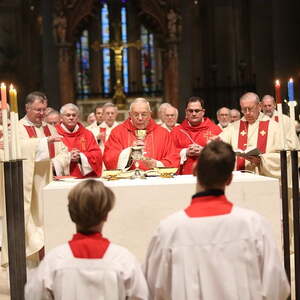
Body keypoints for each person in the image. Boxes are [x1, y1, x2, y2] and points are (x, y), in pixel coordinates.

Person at [144, 140, 290, 300]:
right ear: (229, 179)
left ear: (194, 170)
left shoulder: (169, 230)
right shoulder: (254, 225)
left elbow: (152, 290)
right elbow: (277, 288)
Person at [25, 180, 149, 300]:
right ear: (106, 215)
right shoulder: (124, 260)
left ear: (71, 214)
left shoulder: (53, 261)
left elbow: (34, 295)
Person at [15, 91, 69, 266]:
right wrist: (45, 143)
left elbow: (63, 152)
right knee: (33, 230)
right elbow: (19, 149)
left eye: (44, 110)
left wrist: (55, 163)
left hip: (49, 184)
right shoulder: (18, 128)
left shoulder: (49, 128)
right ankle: (32, 267)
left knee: (50, 226)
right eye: (38, 110)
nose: (42, 114)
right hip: (30, 187)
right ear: (27, 108)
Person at [103, 98, 179, 170]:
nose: (140, 118)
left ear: (150, 114)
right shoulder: (117, 132)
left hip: (156, 181)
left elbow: (173, 159)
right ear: (130, 114)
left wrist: (156, 164)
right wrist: (129, 152)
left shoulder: (163, 133)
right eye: (136, 114)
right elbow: (109, 159)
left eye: (144, 114)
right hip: (128, 181)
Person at [220, 92, 283, 177]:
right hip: (239, 178)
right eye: (243, 109)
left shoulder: (274, 127)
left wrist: (262, 160)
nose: (247, 113)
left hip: (265, 179)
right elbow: (218, 147)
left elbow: (285, 156)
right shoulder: (233, 128)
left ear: (259, 106)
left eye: (250, 109)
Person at [171, 96, 222, 174]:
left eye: (197, 111)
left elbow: (222, 154)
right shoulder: (176, 131)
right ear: (186, 112)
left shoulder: (215, 130)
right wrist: (185, 152)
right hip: (183, 176)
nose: (194, 114)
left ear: (203, 112)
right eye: (190, 111)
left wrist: (204, 151)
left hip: (208, 175)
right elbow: (169, 153)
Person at [56, 103, 102, 178]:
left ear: (78, 117)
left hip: (83, 179)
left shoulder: (87, 134)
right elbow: (50, 158)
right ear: (61, 117)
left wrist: (81, 157)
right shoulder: (54, 133)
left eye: (74, 115)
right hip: (61, 179)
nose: (71, 117)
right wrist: (68, 157)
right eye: (68, 115)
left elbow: (97, 155)